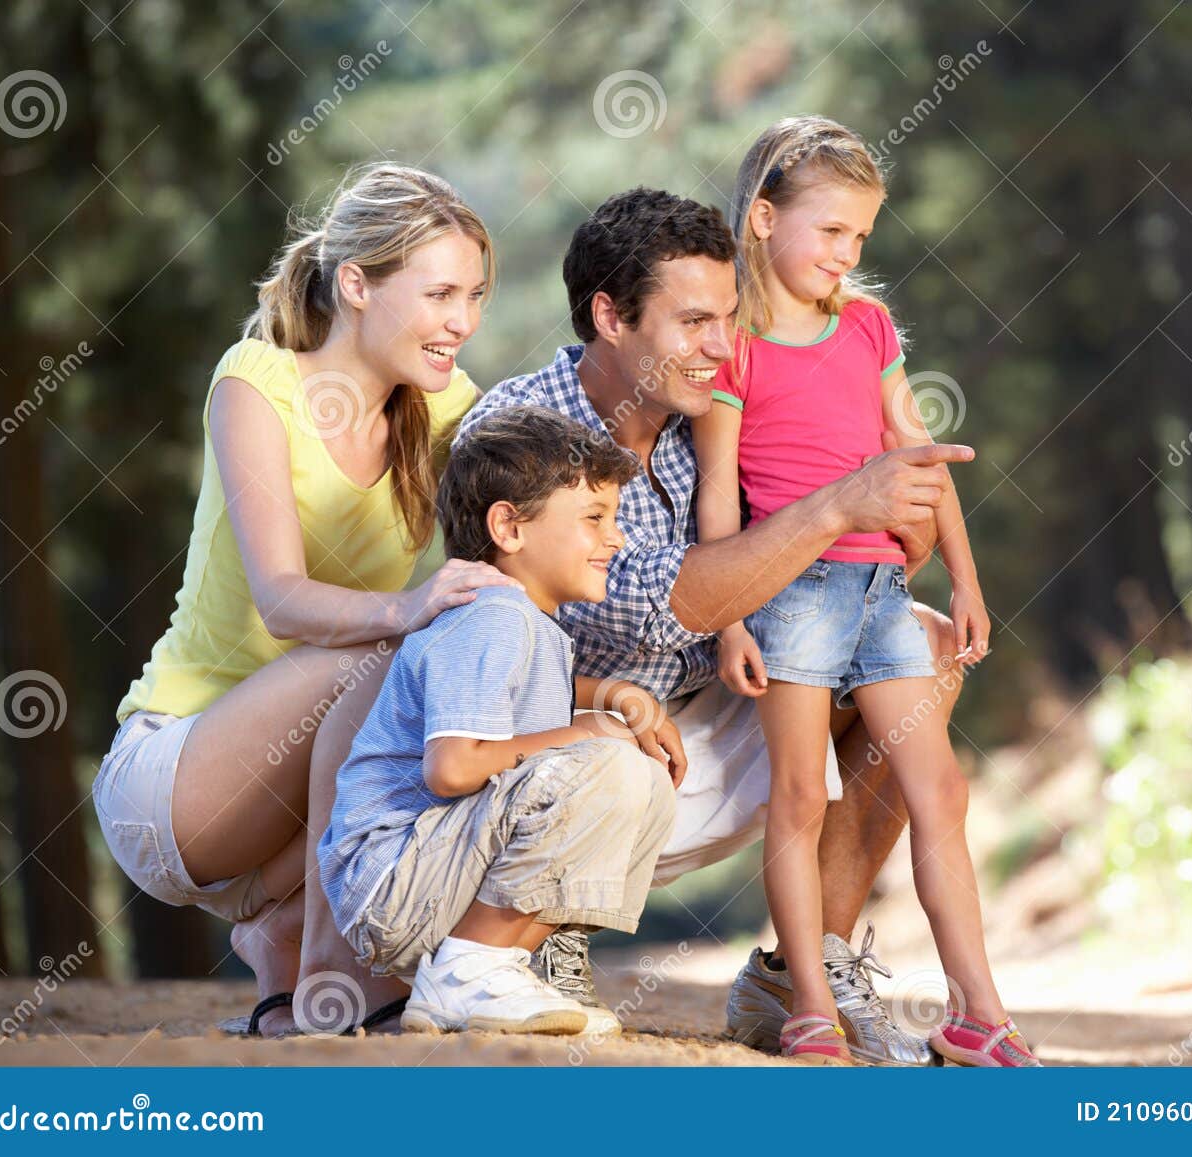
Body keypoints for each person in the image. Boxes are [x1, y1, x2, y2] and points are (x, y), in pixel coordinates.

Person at [457, 185, 975, 1065]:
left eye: (730, 318)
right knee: (613, 731)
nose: (720, 347)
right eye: (692, 322)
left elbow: (854, 572)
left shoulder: (718, 420)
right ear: (610, 315)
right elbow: (666, 603)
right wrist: (838, 504)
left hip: (692, 744)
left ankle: (806, 969)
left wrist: (905, 523)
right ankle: (544, 925)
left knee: (919, 646)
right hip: (557, 771)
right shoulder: (524, 434)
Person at [93, 163, 514, 1037]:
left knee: (457, 673)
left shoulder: (449, 412)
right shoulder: (258, 381)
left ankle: (284, 937)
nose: (462, 322)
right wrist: (408, 609)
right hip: (175, 780)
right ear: (357, 284)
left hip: (279, 843)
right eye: (439, 294)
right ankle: (331, 965)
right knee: (392, 650)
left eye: (473, 295)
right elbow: (283, 601)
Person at [692, 114, 1037, 1066]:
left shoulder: (870, 327)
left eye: (861, 238)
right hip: (788, 594)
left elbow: (921, 460)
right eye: (831, 231)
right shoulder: (737, 347)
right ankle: (807, 1003)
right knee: (800, 798)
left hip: (883, 588)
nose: (846, 255)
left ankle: (978, 1012)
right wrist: (727, 622)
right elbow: (718, 493)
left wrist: (964, 580)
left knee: (942, 789)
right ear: (762, 219)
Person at [318, 405, 679, 1037]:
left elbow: (520, 709)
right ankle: (469, 969)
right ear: (508, 526)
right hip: (396, 877)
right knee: (613, 766)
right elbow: (454, 766)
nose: (616, 539)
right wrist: (590, 732)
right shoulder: (494, 617)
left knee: (640, 778)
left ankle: (488, 964)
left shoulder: (520, 621)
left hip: (430, 871)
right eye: (594, 519)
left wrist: (614, 694)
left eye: (614, 519)